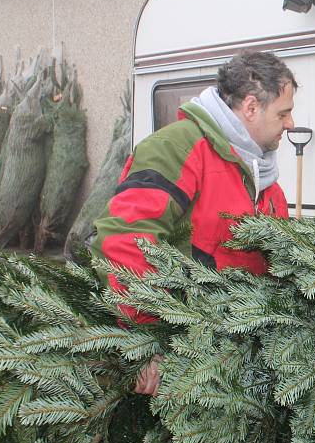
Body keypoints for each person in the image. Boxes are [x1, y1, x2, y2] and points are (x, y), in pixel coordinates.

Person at [93, 50, 297, 394]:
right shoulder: (178, 148)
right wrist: (147, 339)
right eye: (284, 113)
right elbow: (125, 241)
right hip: (183, 354)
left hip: (237, 363)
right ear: (250, 107)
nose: (291, 124)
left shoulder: (266, 181)